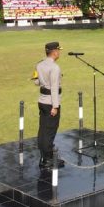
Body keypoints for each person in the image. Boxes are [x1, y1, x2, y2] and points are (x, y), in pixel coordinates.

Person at [34, 41, 64, 170]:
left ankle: (44, 156)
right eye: (58, 50)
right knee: (50, 130)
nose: (59, 53)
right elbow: (54, 89)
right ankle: (47, 159)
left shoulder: (39, 64)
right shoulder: (55, 68)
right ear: (55, 52)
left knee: (43, 129)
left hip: (42, 101)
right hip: (51, 102)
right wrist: (55, 106)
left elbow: (36, 82)